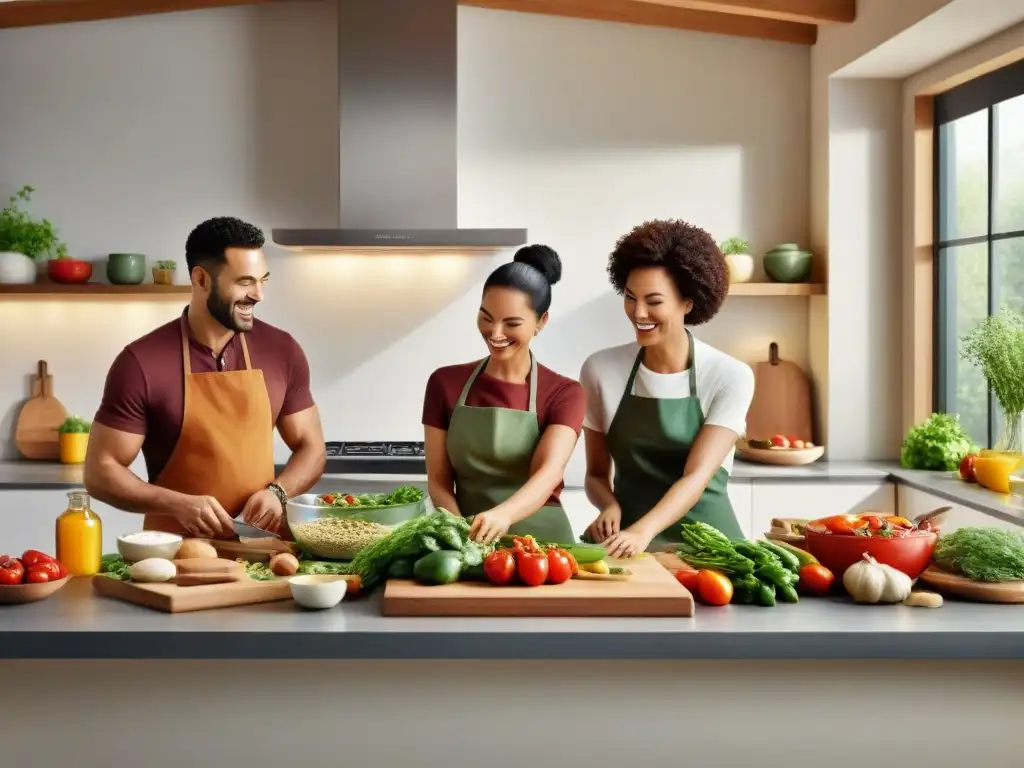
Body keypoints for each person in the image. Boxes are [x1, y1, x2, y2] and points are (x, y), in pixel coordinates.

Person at [84, 216, 325, 539]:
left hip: (263, 554)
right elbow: (101, 471)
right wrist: (175, 504)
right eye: (244, 282)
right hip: (175, 558)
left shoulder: (282, 350)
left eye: (262, 280)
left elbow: (312, 448)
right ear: (201, 279)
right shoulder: (140, 362)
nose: (258, 295)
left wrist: (279, 492)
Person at [580, 219, 755, 557]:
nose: (639, 313)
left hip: (709, 549)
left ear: (688, 302)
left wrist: (642, 531)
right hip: (625, 545)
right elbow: (595, 475)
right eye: (631, 298)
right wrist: (609, 506)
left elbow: (697, 476)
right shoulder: (600, 370)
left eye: (654, 301)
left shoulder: (730, 375)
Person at [421, 245, 586, 544]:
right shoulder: (444, 382)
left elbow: (548, 474)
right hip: (467, 535)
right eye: (486, 317)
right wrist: (459, 532)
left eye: (511, 323)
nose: (495, 333)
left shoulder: (565, 393)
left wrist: (503, 516)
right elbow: (439, 479)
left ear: (541, 322)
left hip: (545, 545)